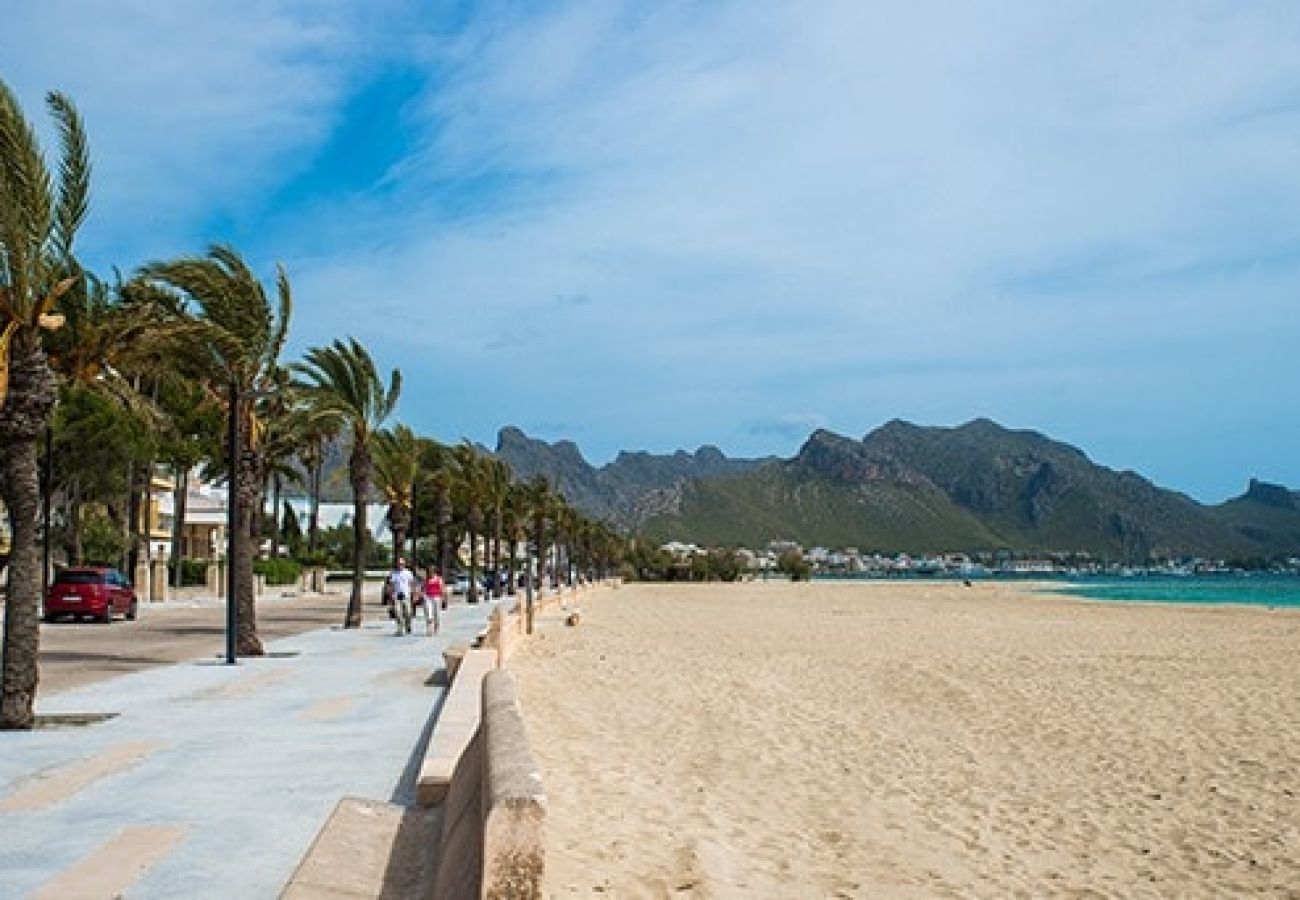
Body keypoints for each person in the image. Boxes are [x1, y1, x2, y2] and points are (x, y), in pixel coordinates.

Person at [388, 557, 415, 635]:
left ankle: (408, 625)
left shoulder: (408, 573)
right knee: (398, 613)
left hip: (406, 595)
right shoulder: (393, 573)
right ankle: (400, 629)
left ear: (404, 564)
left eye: (402, 564)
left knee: (408, 612)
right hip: (397, 595)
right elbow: (391, 585)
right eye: (399, 564)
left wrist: (414, 593)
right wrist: (390, 596)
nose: (400, 565)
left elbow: (412, 583)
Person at [421, 567, 444, 636]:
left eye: (432, 571)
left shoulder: (439, 579)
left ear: (434, 572)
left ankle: (436, 627)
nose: (431, 573)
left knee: (436, 613)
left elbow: (442, 588)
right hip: (428, 597)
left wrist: (442, 598)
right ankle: (429, 629)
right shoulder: (426, 580)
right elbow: (423, 588)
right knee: (428, 613)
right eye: (429, 571)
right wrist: (422, 594)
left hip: (436, 597)